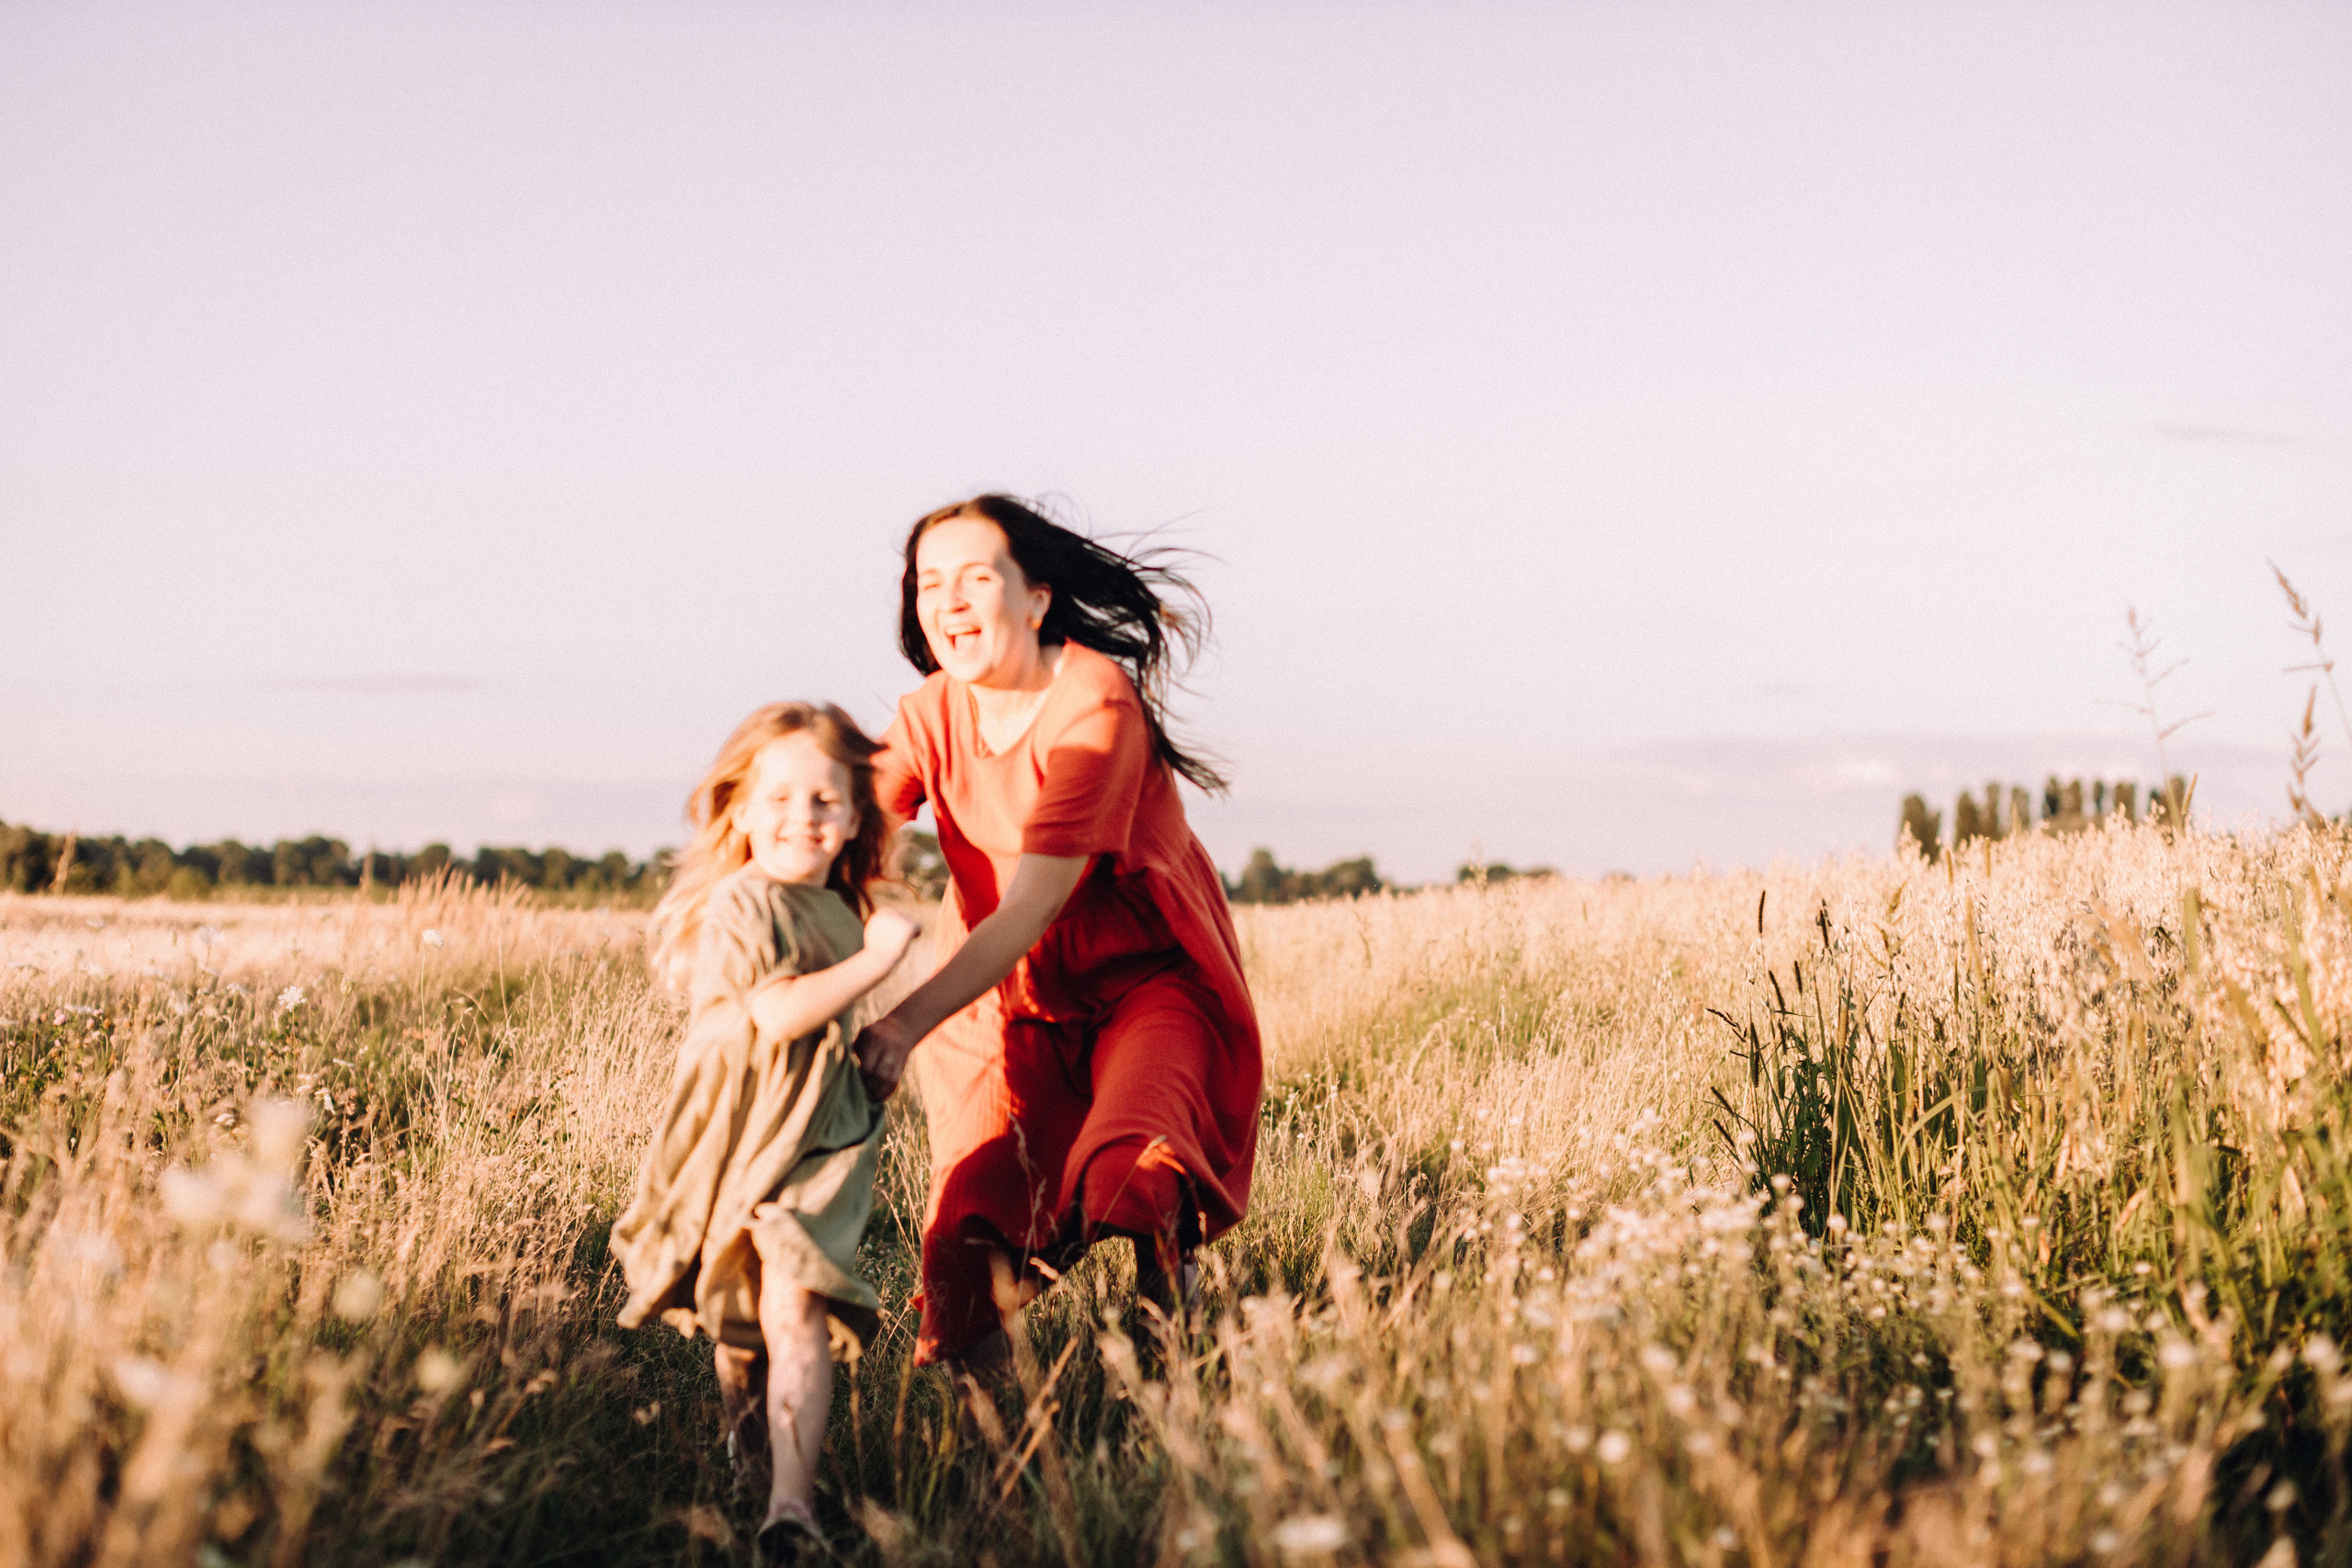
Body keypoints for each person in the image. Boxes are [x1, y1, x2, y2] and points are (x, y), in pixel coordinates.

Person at [853, 494, 1263, 1372]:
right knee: (968, 1221)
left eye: (976, 578)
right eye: (930, 583)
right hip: (998, 994)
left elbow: (1032, 906)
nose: (949, 602)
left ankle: (1167, 1359)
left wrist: (895, 1023)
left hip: (1143, 977)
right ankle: (994, 1469)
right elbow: (845, 836)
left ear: (1037, 597)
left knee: (1137, 1162)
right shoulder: (929, 713)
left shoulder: (1094, 705)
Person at [610, 702, 921, 1555]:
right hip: (737, 1127)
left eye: (825, 800)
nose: (802, 818)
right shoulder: (746, 900)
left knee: (795, 1302)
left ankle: (791, 1507)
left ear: (855, 816)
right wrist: (878, 961)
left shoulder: (838, 904)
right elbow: (778, 1014)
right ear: (740, 810)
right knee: (744, 1324)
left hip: (816, 1135)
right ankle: (752, 1475)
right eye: (779, 798)